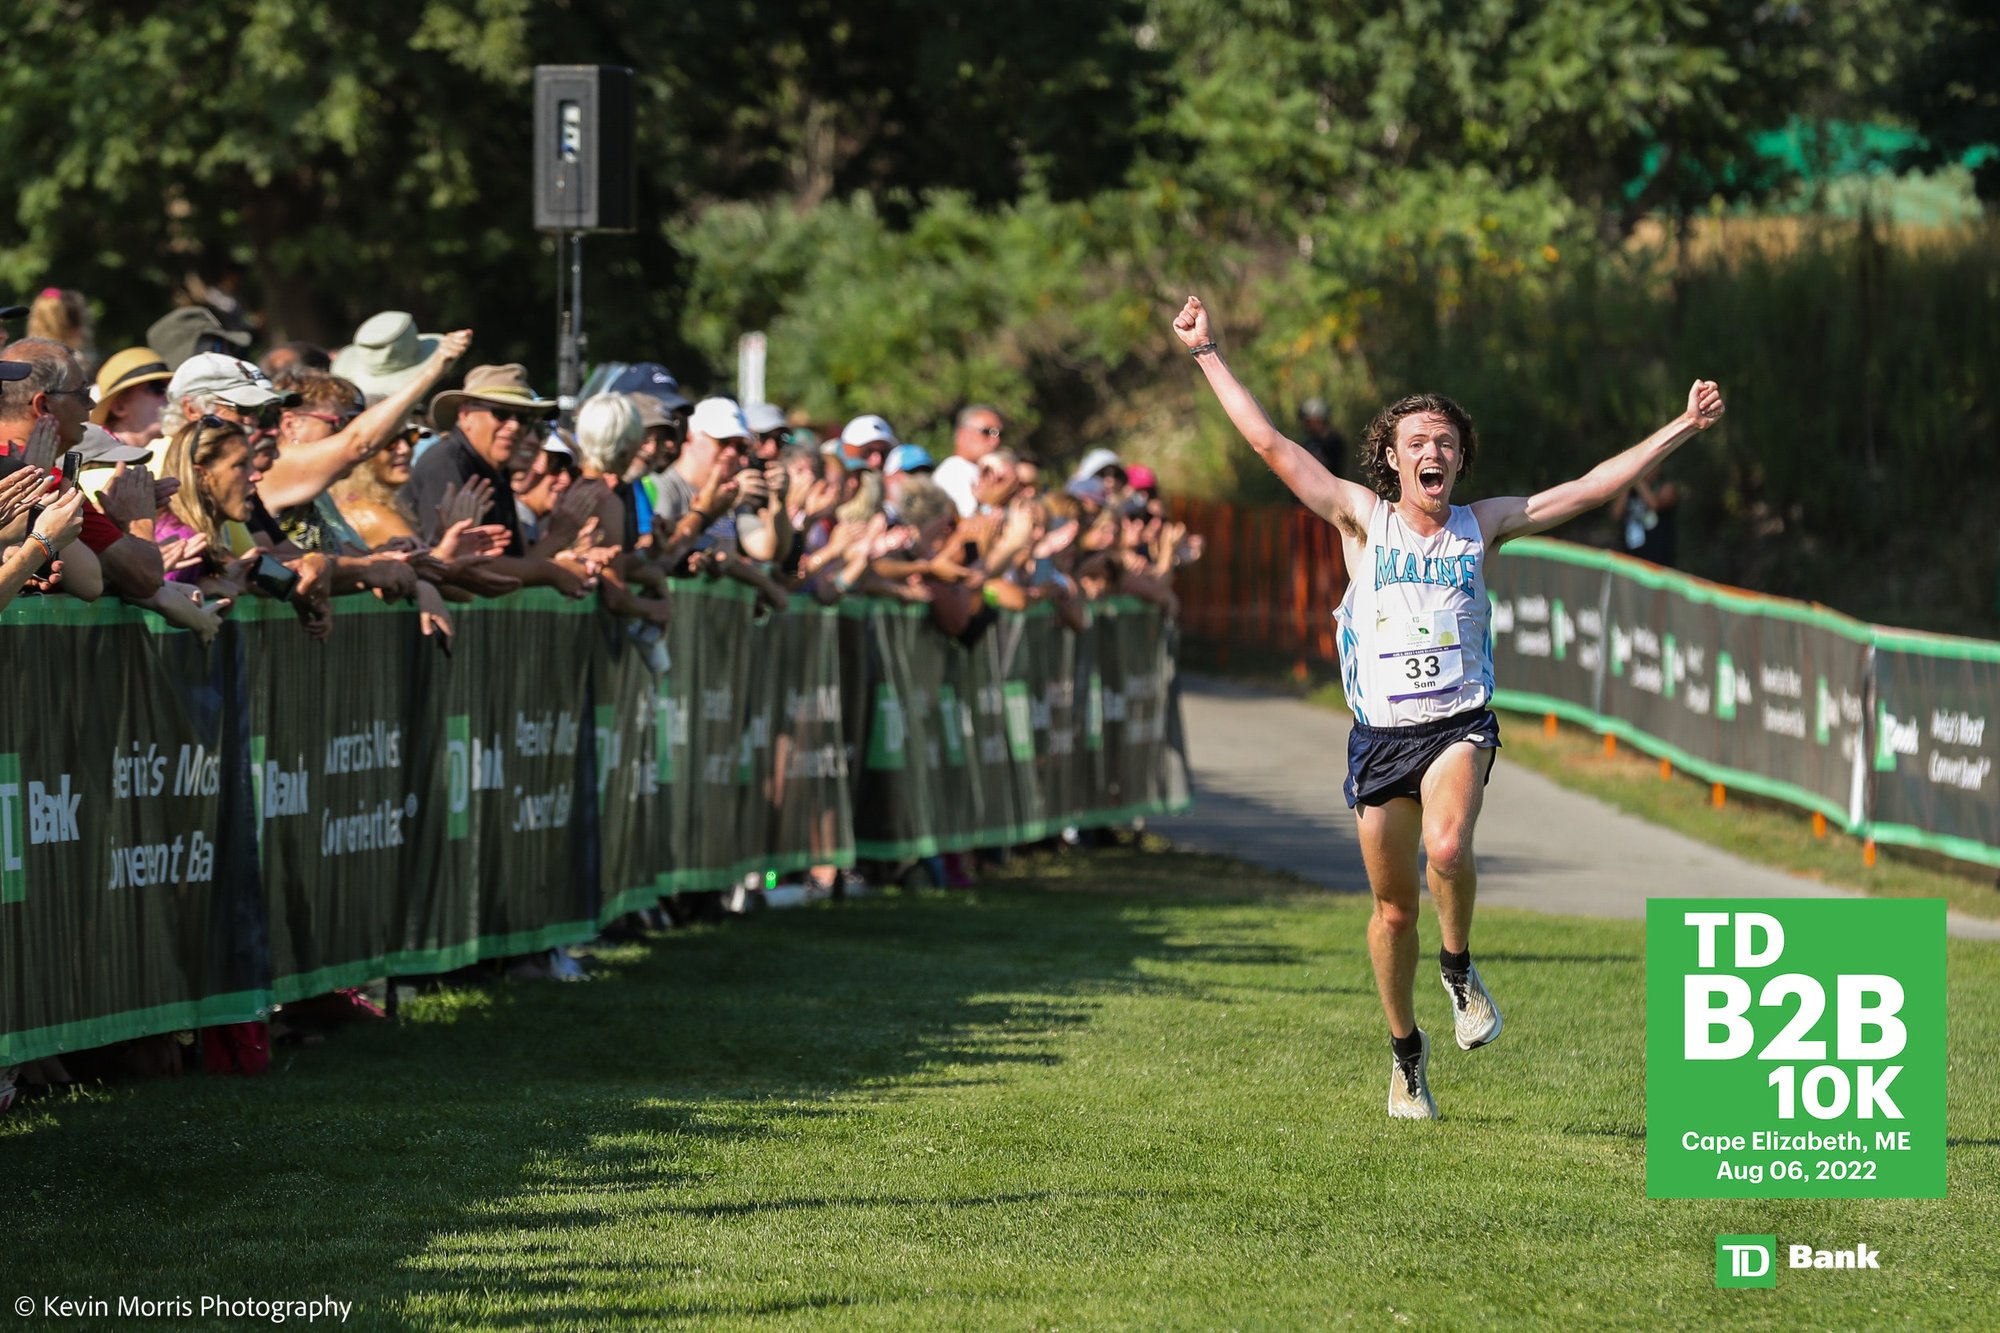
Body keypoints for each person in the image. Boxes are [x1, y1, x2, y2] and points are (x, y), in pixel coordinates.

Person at [1172, 293, 1724, 1120]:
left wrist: (1678, 428)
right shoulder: (1360, 520)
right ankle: (1406, 1054)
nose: (1433, 452)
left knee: (1448, 841)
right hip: (1378, 738)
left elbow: (1587, 488)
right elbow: (1268, 443)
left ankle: (1459, 966)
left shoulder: (1482, 523)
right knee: (1393, 911)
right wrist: (1207, 350)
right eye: (1416, 443)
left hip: (1458, 722)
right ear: (1390, 460)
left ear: (1460, 459)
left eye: (1446, 442)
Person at [932, 404, 1004, 517]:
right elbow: (970, 526)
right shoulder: (952, 471)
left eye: (999, 434)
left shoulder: (977, 471)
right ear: (962, 433)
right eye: (986, 432)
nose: (995, 440)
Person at [1298, 397, 1347, 478]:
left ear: (1319, 420)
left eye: (1309, 421)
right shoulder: (1309, 440)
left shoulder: (1334, 441)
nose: (1306, 425)